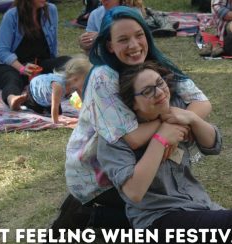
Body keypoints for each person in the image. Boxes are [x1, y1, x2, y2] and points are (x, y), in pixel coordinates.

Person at [97, 61, 232, 244]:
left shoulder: (174, 110)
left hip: (198, 205)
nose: (159, 93)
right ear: (133, 104)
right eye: (148, 91)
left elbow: (214, 144)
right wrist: (161, 138)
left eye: (160, 83)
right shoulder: (114, 139)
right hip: (157, 223)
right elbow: (134, 192)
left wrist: (192, 118)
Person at [51, 6, 212, 233]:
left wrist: (176, 119)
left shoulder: (153, 63)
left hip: (136, 160)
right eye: (123, 39)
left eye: (139, 35)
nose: (134, 45)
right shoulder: (102, 77)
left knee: (179, 202)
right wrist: (167, 127)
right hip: (98, 174)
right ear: (109, 45)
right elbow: (133, 139)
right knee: (163, 212)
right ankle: (88, 215)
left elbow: (202, 103)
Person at [0, 0, 70, 111]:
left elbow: (53, 44)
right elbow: (3, 51)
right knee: (11, 79)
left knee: (69, 63)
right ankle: (13, 99)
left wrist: (53, 65)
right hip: (11, 65)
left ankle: (75, 91)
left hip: (39, 65)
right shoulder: (11, 16)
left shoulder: (51, 10)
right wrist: (22, 68)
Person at [17, 56, 92, 124]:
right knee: (36, 109)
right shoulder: (58, 86)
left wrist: (89, 111)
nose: (87, 83)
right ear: (75, 79)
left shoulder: (75, 85)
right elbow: (54, 106)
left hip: (49, 97)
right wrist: (56, 121)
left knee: (58, 112)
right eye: (86, 81)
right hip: (35, 92)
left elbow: (84, 101)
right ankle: (21, 100)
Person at [78, 0, 145, 53]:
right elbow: (90, 37)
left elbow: (128, 39)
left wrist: (100, 37)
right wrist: (85, 40)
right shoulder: (95, 14)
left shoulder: (132, 12)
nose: (103, 1)